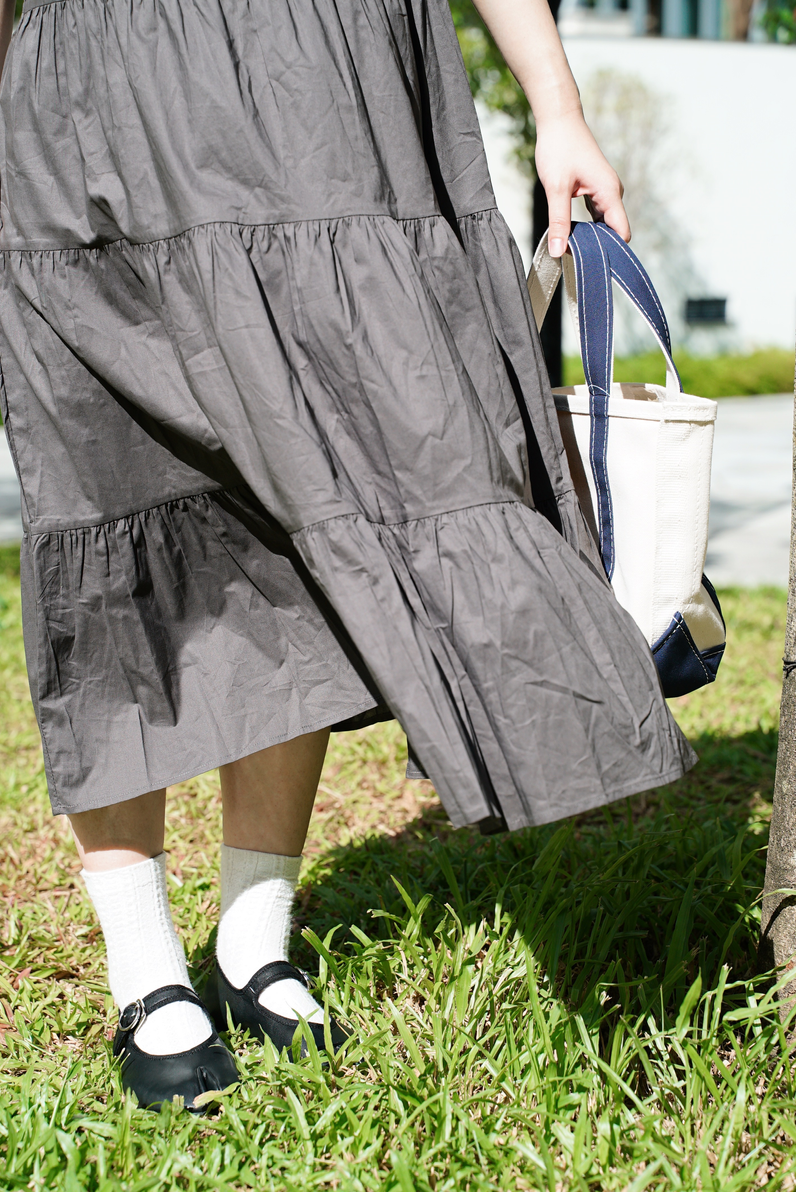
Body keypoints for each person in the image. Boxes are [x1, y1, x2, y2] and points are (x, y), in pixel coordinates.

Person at [0, 0, 695, 1112]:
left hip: (327, 102)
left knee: (312, 510)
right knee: (115, 482)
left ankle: (254, 936)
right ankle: (145, 972)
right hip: (101, 80)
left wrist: (556, 107)